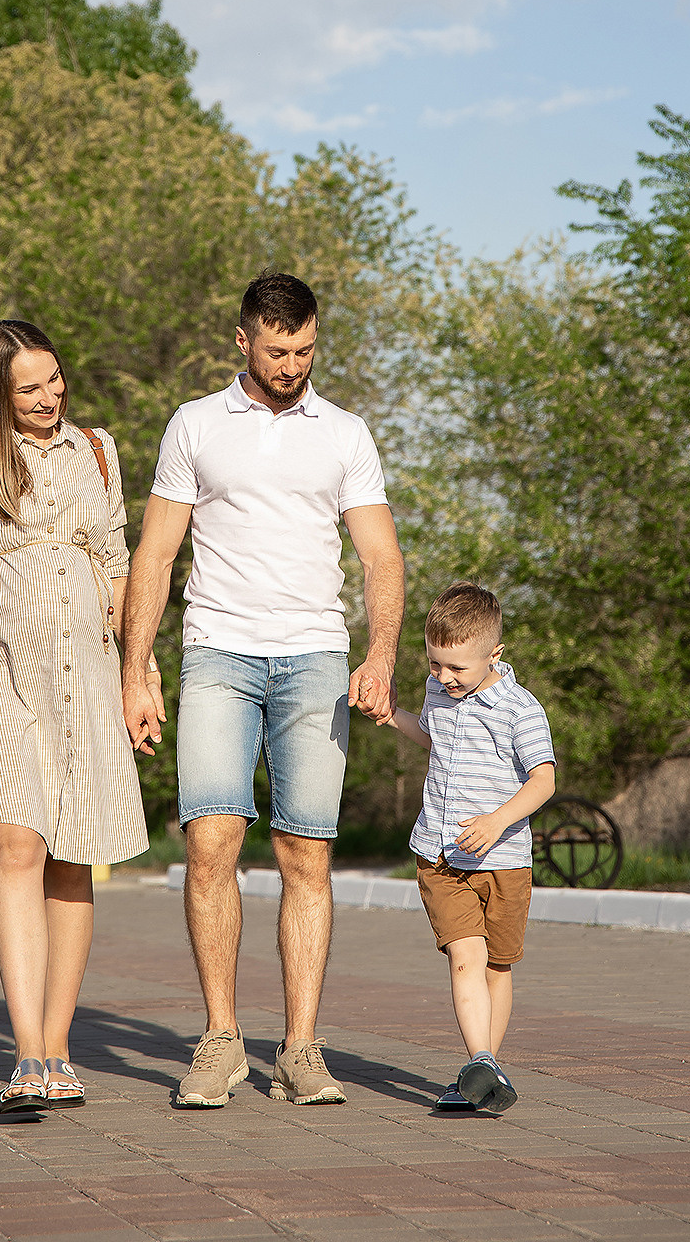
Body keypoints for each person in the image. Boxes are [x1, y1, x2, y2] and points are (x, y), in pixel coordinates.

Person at [121, 272, 404, 1109]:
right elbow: (156, 554)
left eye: (306, 348)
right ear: (241, 341)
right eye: (278, 350)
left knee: (305, 853)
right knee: (211, 845)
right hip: (217, 655)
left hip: (315, 658)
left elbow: (381, 558)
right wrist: (135, 670)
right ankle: (220, 1039)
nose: (293, 364)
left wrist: (380, 655)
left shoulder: (345, 434)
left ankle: (303, 1050)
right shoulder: (195, 425)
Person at [0, 318, 159, 1114]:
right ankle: (25, 1058)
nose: (49, 398)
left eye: (55, 380)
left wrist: (141, 673)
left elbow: (120, 566)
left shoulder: (96, 449)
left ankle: (58, 1049)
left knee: (74, 852)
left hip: (87, 672)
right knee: (16, 844)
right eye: (29, 388)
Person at [385, 580, 556, 1114]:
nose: (443, 677)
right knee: (466, 956)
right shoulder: (438, 692)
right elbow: (433, 737)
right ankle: (479, 1057)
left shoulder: (519, 709)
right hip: (440, 854)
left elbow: (543, 780)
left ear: (494, 655)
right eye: (436, 664)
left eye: (457, 668)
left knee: (497, 967)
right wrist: (394, 716)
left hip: (502, 859)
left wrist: (496, 820)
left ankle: (483, 1071)